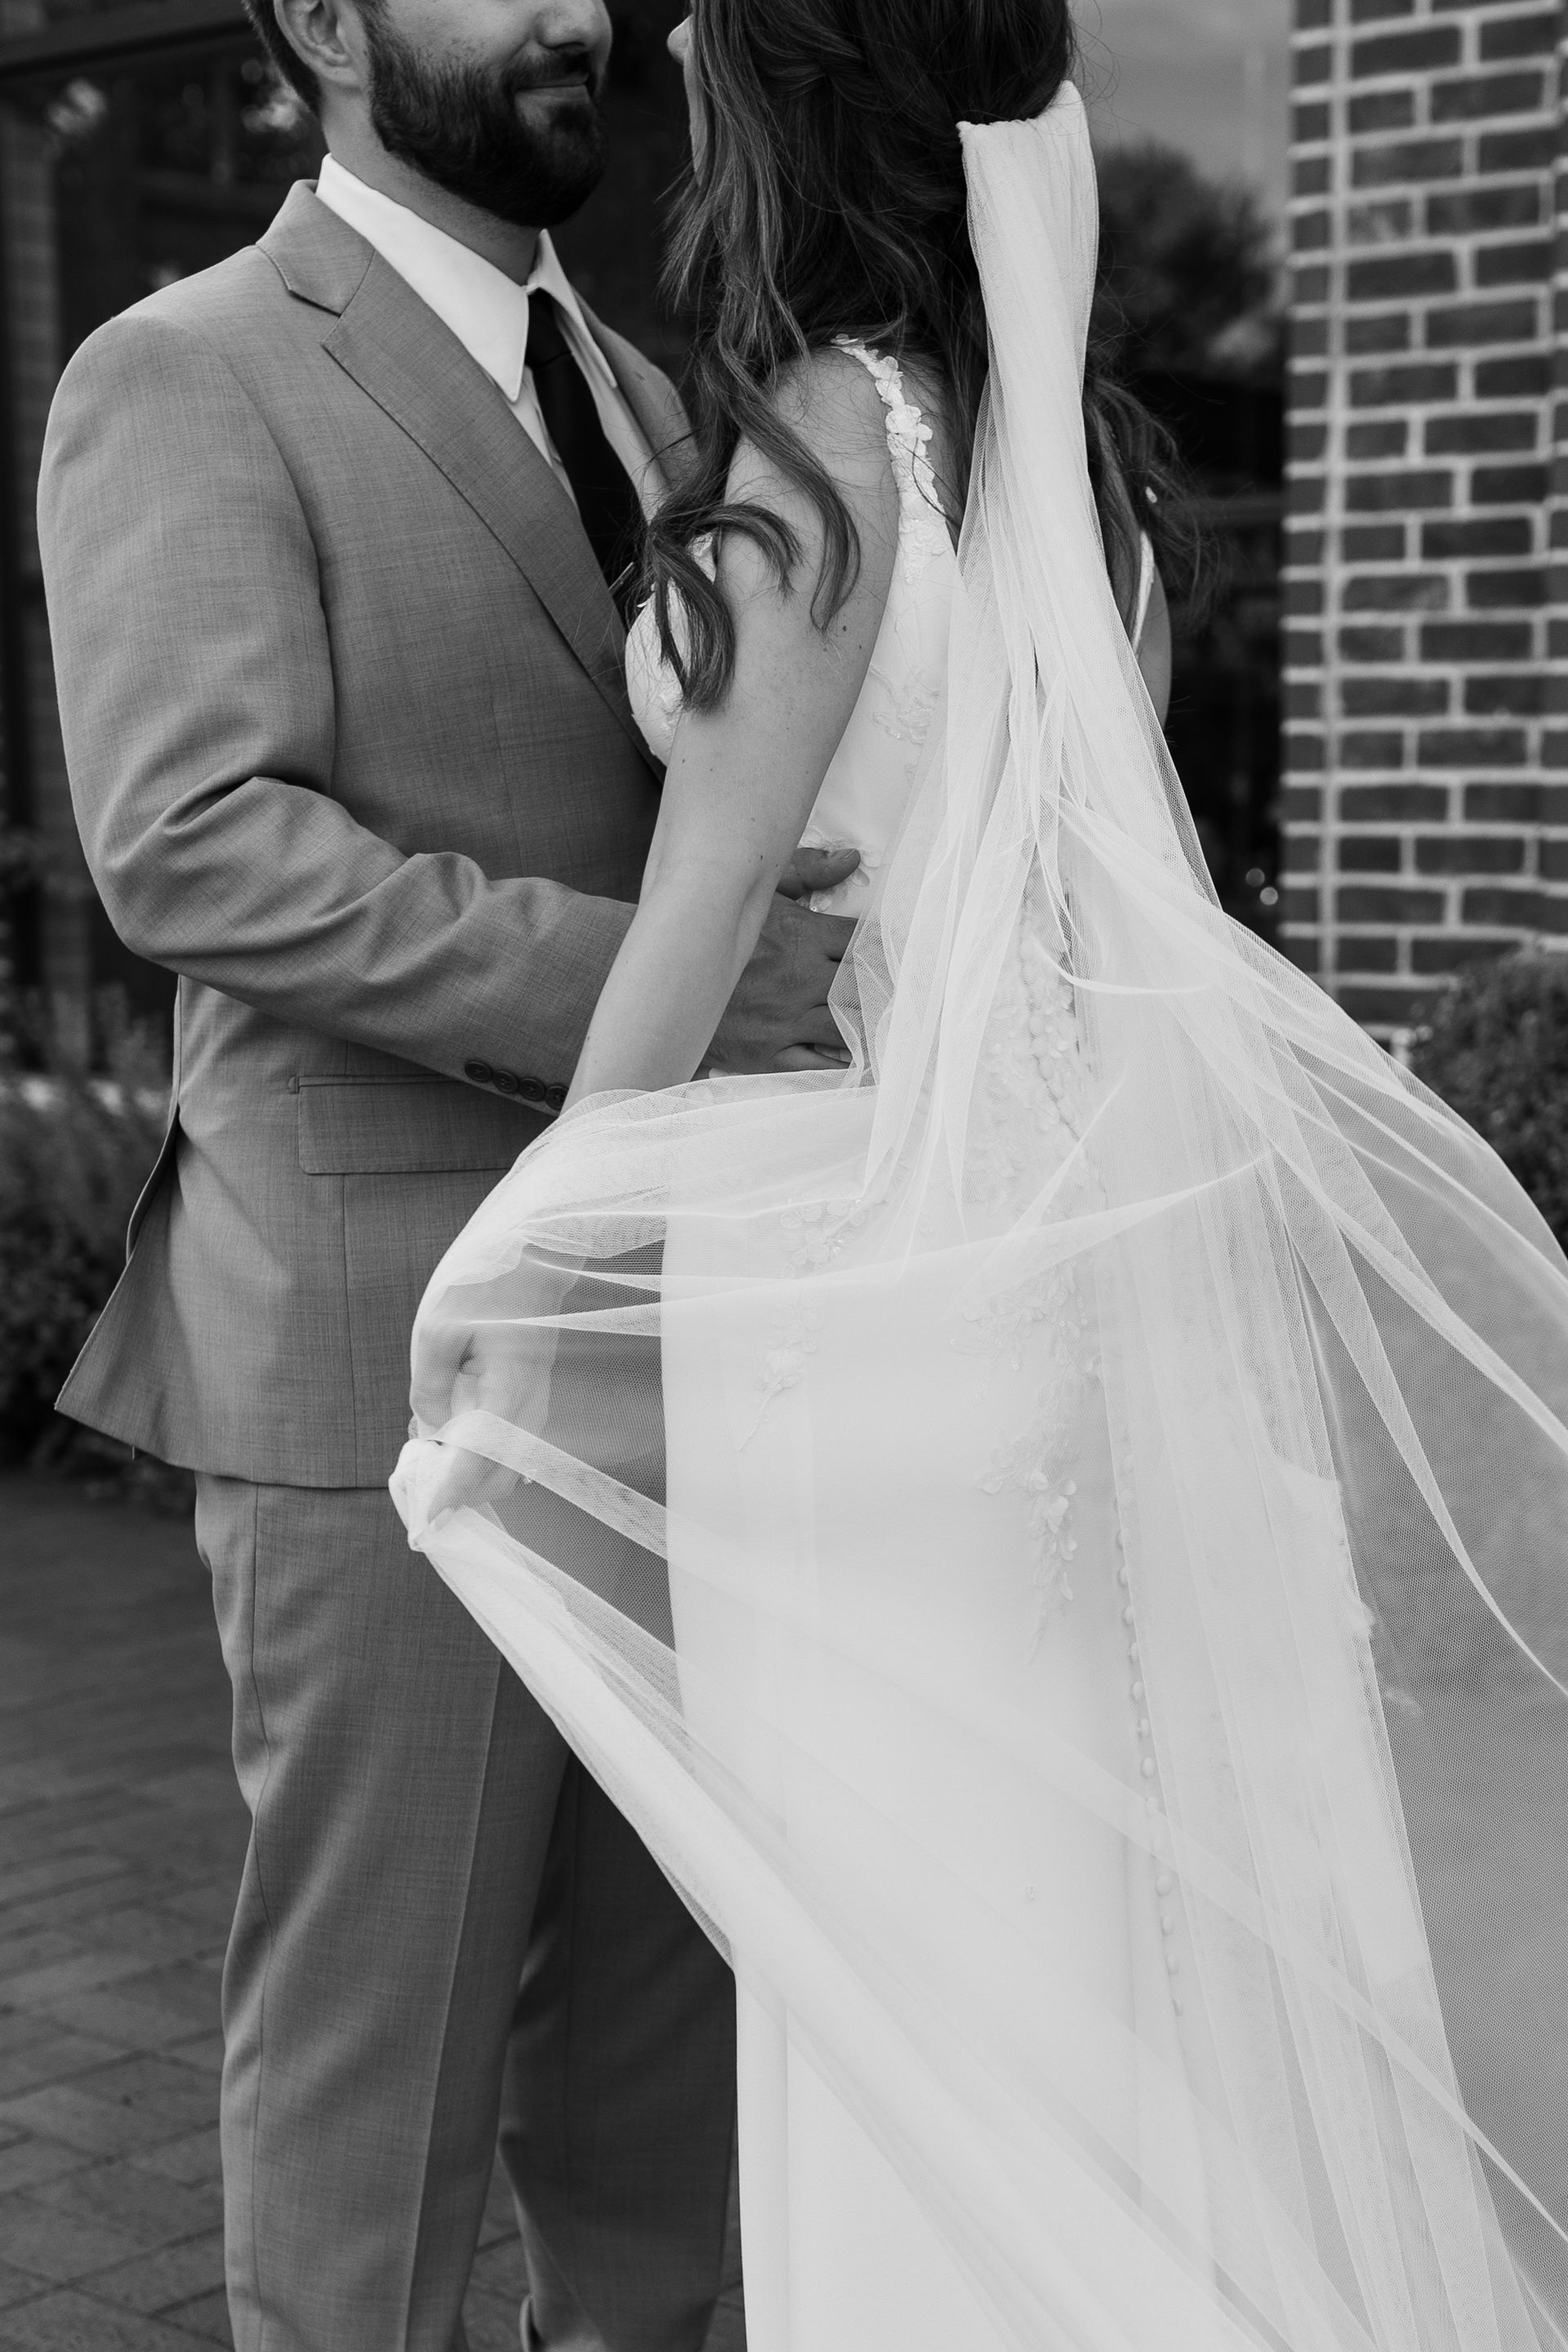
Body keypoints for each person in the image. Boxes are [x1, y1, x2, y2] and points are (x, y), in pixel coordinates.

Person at [396, 2, 1568, 2348]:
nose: (678, 54)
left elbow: (705, 918)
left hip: (862, 1331)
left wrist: (510, 1288)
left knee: (901, 1998)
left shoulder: (827, 450)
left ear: (796, 92)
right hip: (1040, 1293)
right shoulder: (1084, 479)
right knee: (1066, 1957)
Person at [36, 0, 865, 2343]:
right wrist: (670, 983)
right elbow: (194, 842)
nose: (574, 12)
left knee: (660, 2114)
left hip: (686, 1350)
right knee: (374, 2099)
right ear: (320, 20)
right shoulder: (185, 370)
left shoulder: (666, 396)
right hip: (384, 1357)